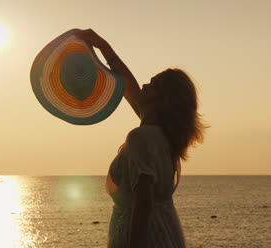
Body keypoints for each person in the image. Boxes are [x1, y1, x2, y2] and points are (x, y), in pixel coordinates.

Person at [76, 29, 207, 248]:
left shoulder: (142, 138)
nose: (144, 86)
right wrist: (104, 47)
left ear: (162, 101)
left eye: (152, 84)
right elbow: (130, 90)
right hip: (166, 234)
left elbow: (143, 205)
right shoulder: (163, 137)